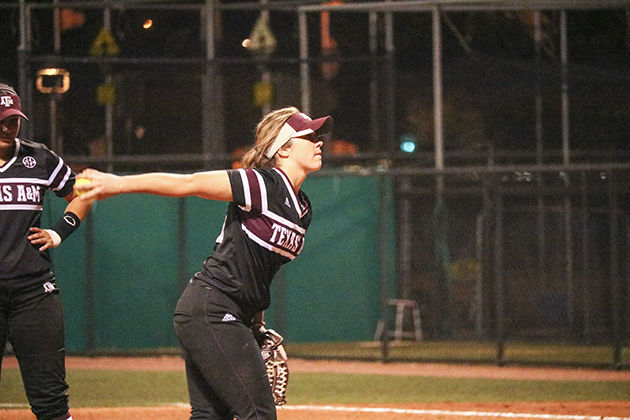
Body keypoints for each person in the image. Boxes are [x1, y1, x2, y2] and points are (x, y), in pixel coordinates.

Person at [76, 106, 332, 420]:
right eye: (310, 136)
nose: (319, 142)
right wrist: (116, 183)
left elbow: (261, 269)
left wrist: (255, 322)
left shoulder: (302, 209)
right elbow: (190, 183)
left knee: (210, 416)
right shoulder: (260, 184)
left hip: (227, 312)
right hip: (211, 308)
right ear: (284, 148)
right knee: (259, 414)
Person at [0, 82, 93, 420]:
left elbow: (82, 194)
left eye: (14, 120)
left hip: (33, 292)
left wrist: (59, 231)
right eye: (2, 122)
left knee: (51, 402)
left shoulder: (38, 157)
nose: (9, 128)